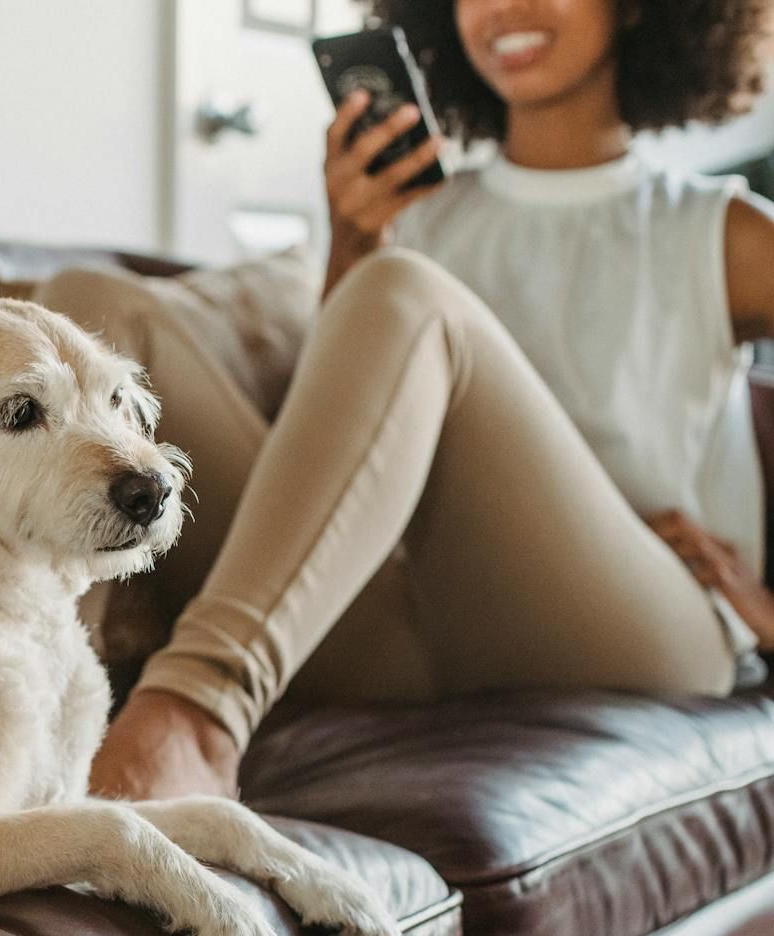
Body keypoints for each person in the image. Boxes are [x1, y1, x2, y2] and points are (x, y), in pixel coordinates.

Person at [89, 0, 774, 801]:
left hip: (641, 634)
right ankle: (43, 699)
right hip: (417, 628)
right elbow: (328, 466)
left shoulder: (720, 231)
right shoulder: (412, 221)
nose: (506, 7)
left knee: (406, 293)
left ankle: (196, 714)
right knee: (96, 312)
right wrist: (351, 244)